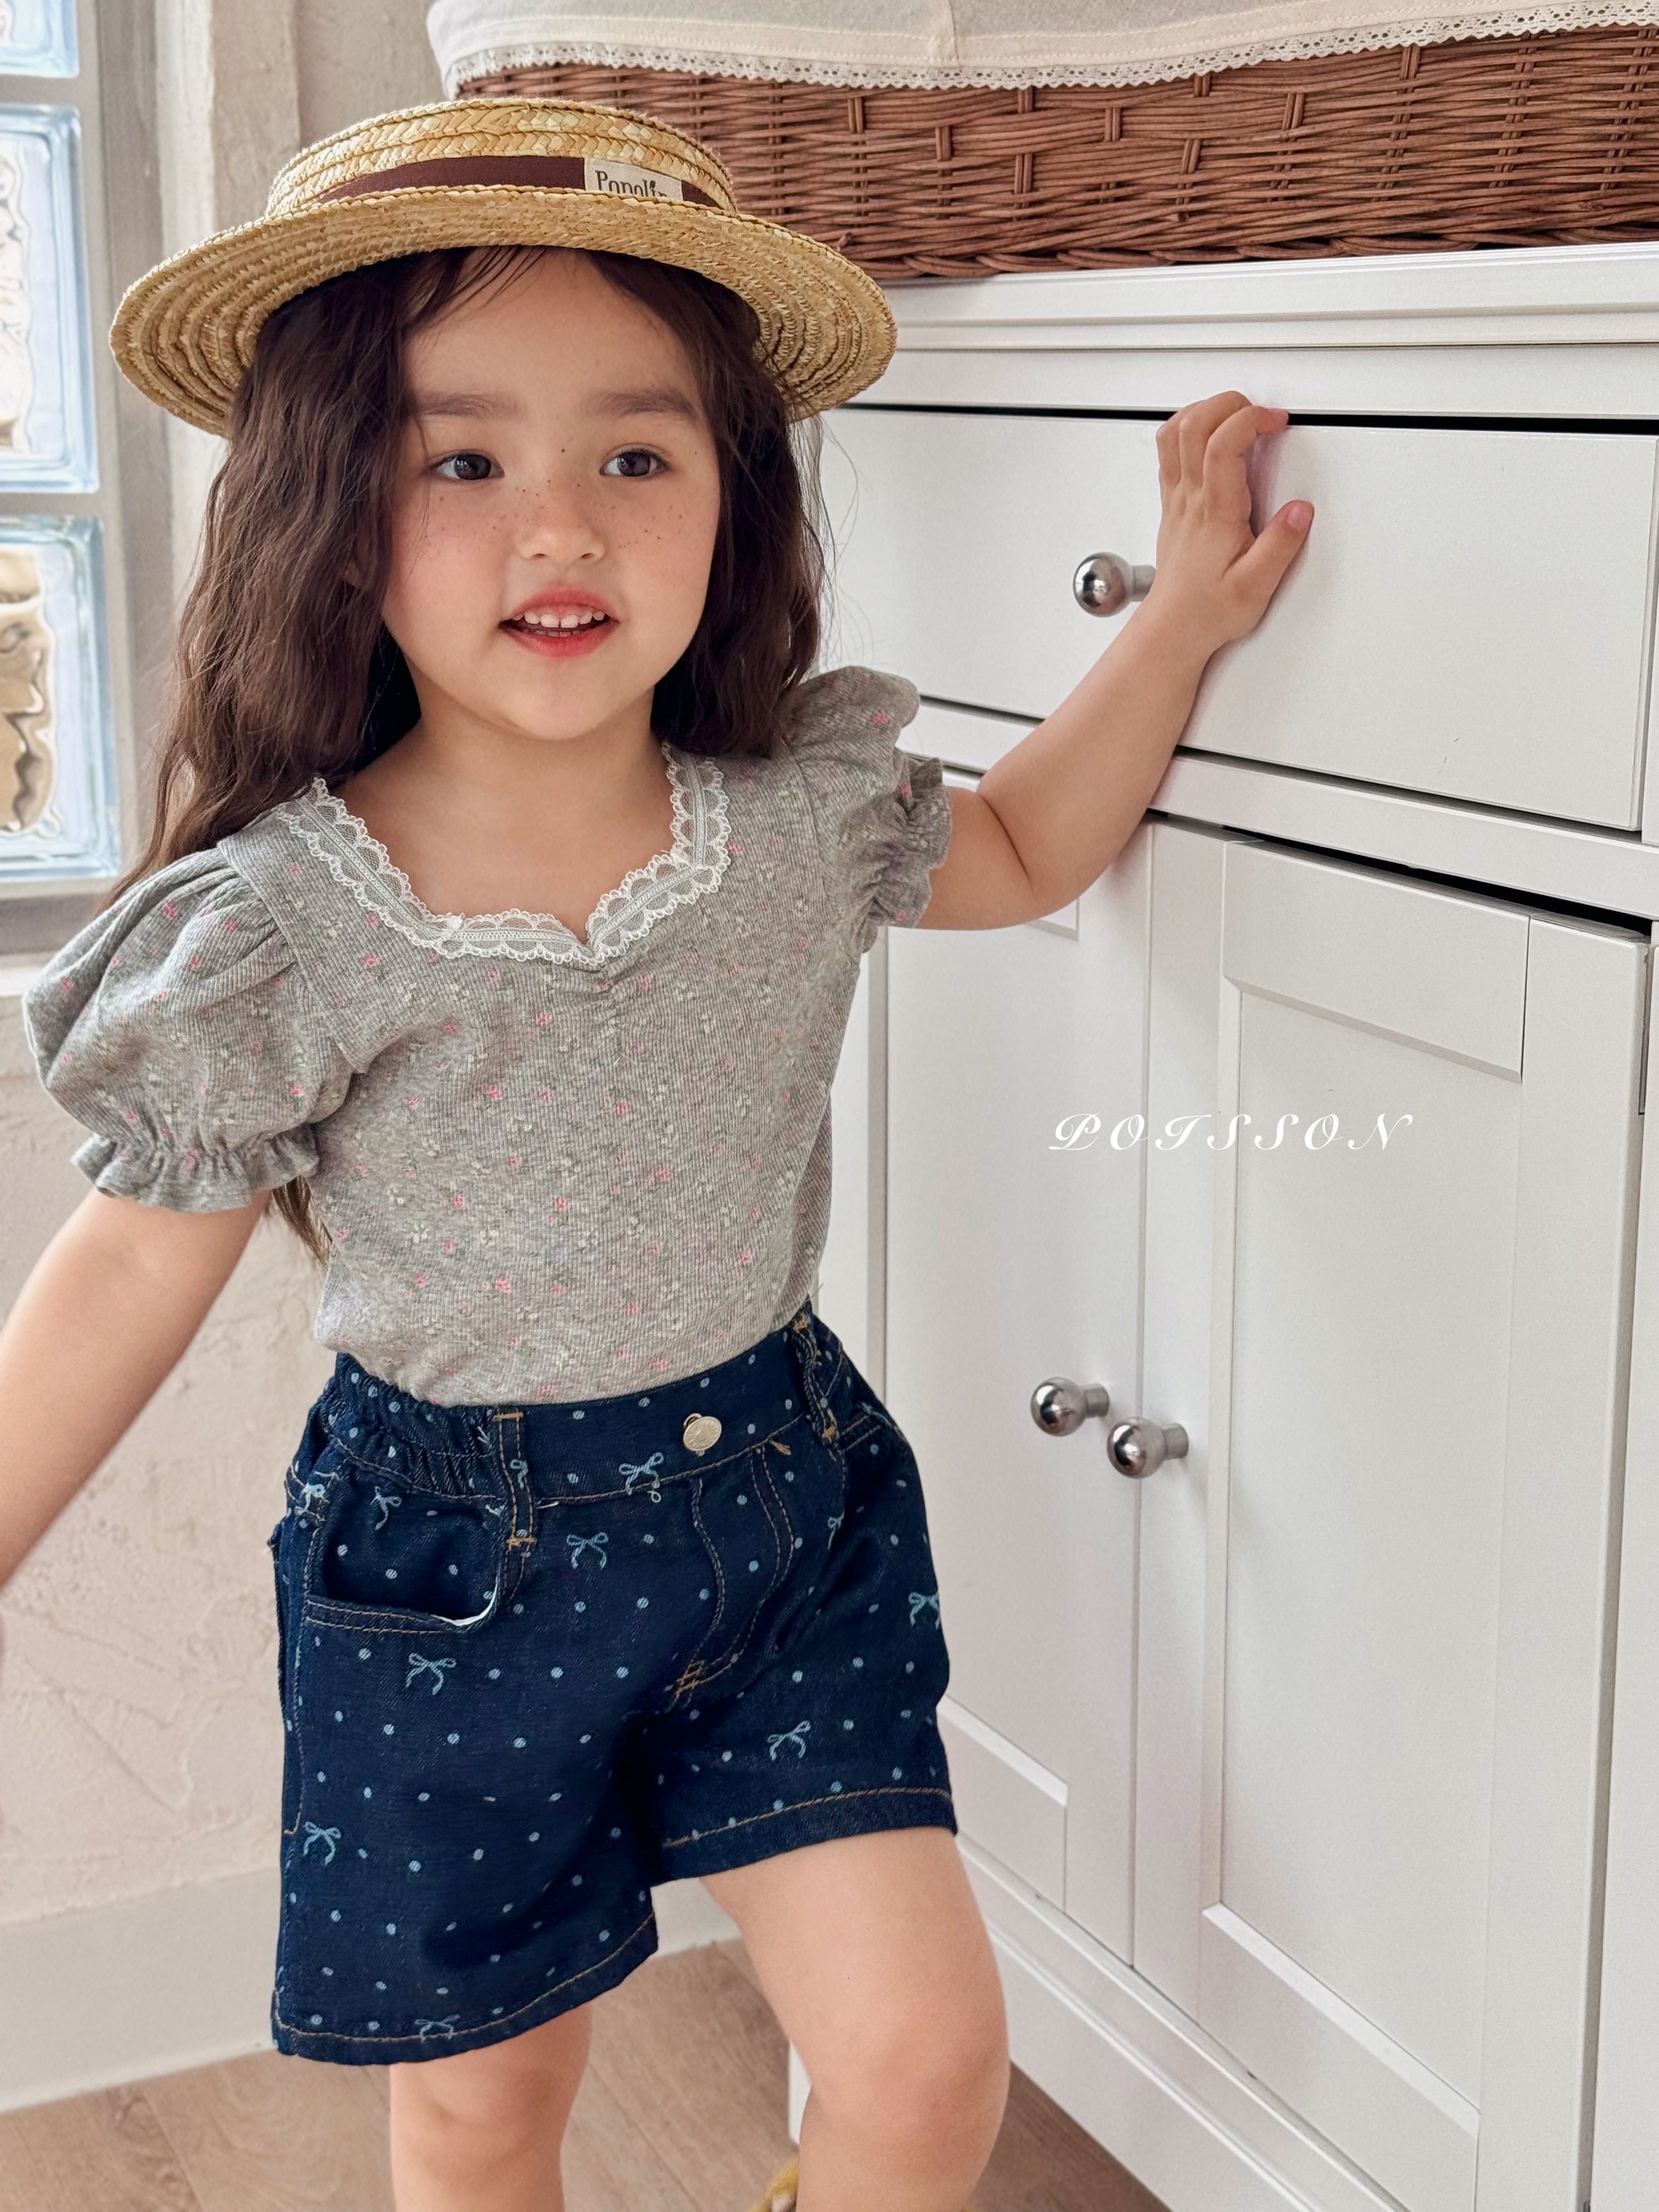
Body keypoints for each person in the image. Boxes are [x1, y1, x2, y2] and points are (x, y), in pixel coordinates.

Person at [0, 95, 1312, 2212]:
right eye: (461, 461)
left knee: (921, 2068)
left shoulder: (797, 819)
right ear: (337, 514)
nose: (564, 528)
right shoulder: (280, 927)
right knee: (485, 2110)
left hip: (782, 1516)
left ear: (731, 499)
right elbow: (136, 1264)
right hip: (446, 1579)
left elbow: (1028, 846)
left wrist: (1170, 624)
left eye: (637, 456)